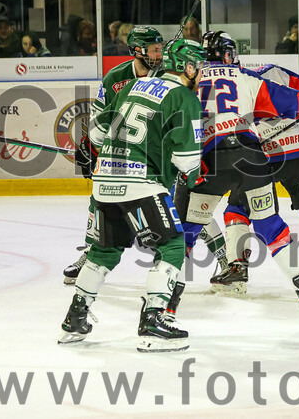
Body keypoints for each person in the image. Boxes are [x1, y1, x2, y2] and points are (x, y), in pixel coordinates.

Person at [58, 39, 206, 352]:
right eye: (199, 66)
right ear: (189, 67)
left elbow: (97, 134)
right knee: (173, 245)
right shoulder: (184, 97)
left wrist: (92, 152)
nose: (201, 72)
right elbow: (187, 161)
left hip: (104, 182)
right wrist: (191, 174)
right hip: (142, 182)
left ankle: (75, 318)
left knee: (103, 251)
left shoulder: (132, 86)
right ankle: (153, 320)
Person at [173, 35, 299, 319]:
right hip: (251, 159)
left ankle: (169, 301)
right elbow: (296, 102)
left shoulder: (187, 80)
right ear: (228, 56)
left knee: (187, 234)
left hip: (210, 163)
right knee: (271, 226)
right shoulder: (246, 77)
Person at [66, 26, 229, 285]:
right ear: (137, 50)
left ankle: (224, 257)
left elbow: (185, 111)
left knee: (187, 207)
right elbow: (102, 117)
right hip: (131, 152)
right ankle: (89, 253)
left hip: (164, 153)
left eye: (160, 48)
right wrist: (92, 147)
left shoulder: (166, 73)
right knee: (99, 202)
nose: (158, 53)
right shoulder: (114, 78)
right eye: (153, 49)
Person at [199, 31, 299, 294]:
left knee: (237, 209)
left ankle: (237, 267)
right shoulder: (275, 72)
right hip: (298, 154)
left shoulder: (215, 84)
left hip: (260, 159)